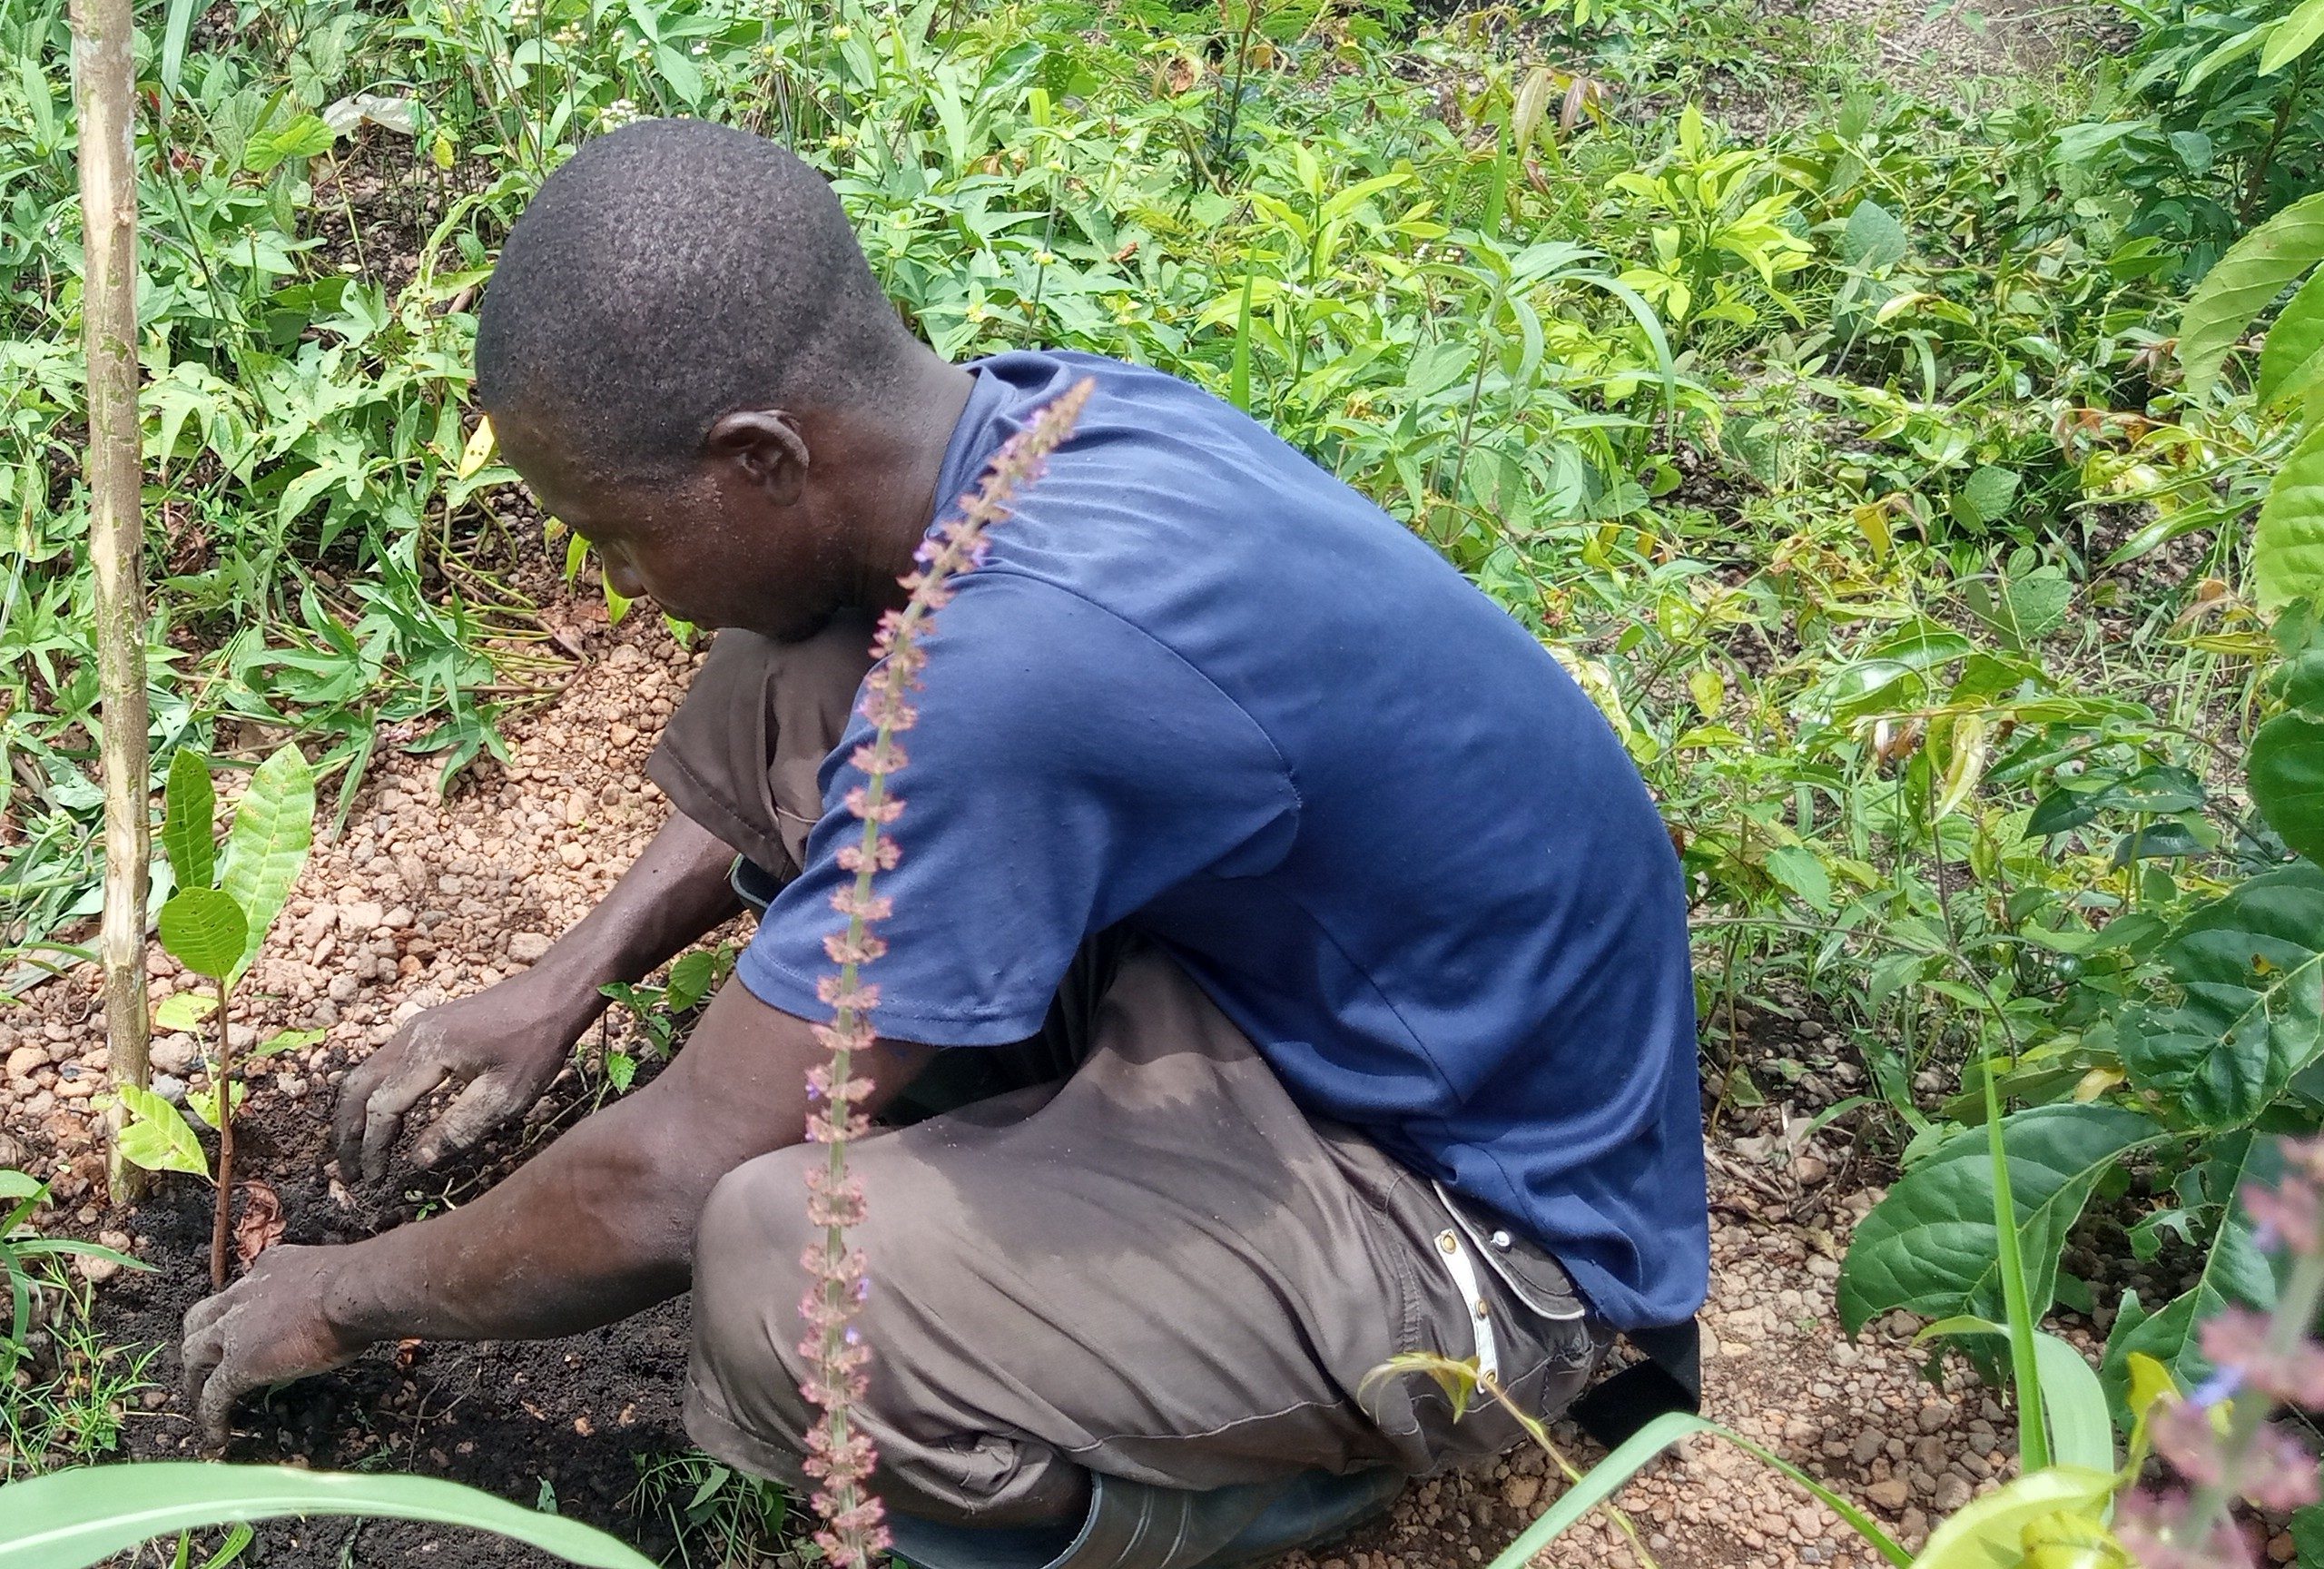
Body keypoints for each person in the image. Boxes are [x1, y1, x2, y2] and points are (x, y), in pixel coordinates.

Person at [180, 118, 1706, 1569]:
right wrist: (567, 979)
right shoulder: (1033, 432)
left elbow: (670, 1178)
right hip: (1331, 1012)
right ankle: (1073, 1196)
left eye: (617, 532)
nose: (618, 586)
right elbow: (869, 701)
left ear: (762, 456)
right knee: (794, 669)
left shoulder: (1029, 669)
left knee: (785, 1267)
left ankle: (1257, 1501)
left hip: (1478, 1224)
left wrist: (346, 1296)